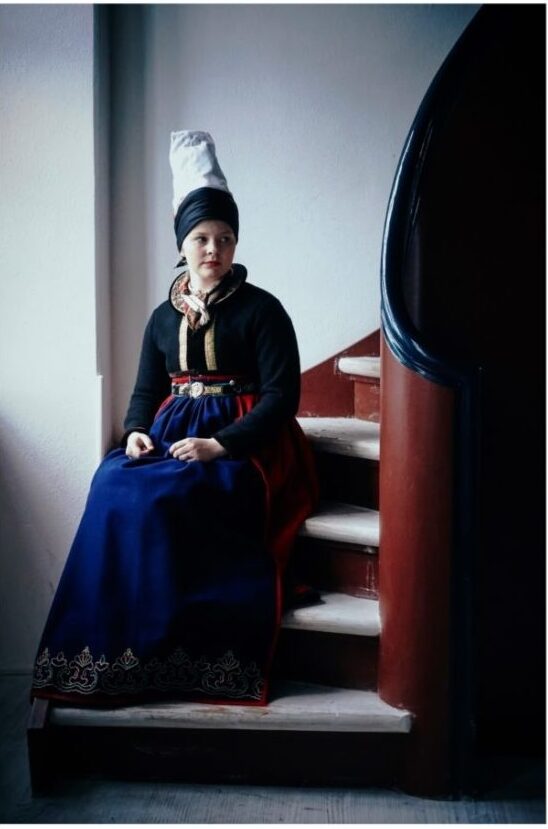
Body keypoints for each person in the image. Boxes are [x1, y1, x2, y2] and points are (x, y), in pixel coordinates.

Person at [30, 131, 318, 707]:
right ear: (182, 244)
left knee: (172, 495)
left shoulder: (263, 311)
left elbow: (281, 398)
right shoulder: (163, 317)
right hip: (171, 430)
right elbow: (147, 389)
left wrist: (221, 445)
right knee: (113, 482)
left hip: (248, 443)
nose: (214, 249)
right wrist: (137, 430)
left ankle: (181, 651)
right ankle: (111, 651)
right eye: (202, 238)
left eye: (225, 238)